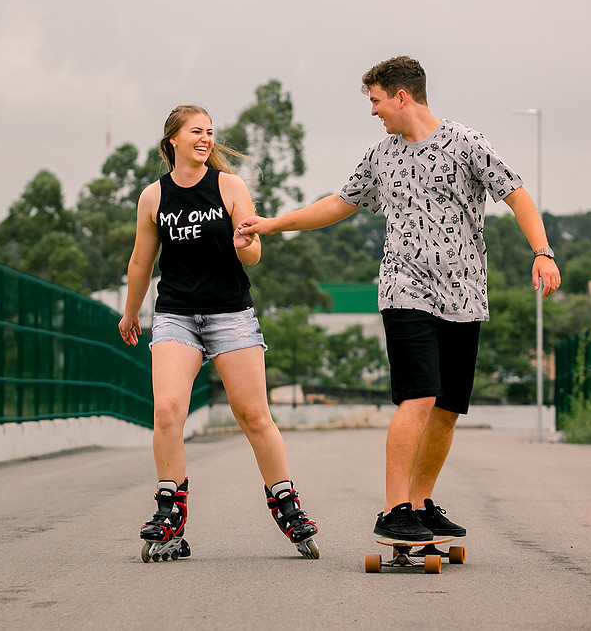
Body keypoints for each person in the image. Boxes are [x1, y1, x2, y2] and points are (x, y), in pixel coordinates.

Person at [238, 56, 561, 541]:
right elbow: (337, 204)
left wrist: (543, 251)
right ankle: (392, 511)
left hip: (466, 293)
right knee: (419, 396)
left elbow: (516, 194)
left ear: (401, 96)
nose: (373, 112)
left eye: (376, 101)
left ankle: (419, 502)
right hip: (404, 289)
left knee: (448, 408)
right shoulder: (380, 156)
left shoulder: (467, 143)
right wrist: (272, 223)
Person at [119, 104, 319, 561]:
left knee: (253, 415)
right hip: (175, 315)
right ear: (173, 140)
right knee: (168, 410)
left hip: (231, 313)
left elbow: (254, 256)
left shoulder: (230, 187)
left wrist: (244, 243)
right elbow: (140, 261)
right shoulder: (154, 197)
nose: (206, 139)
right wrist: (131, 313)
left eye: (210, 132)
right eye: (196, 132)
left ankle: (286, 503)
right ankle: (170, 511)